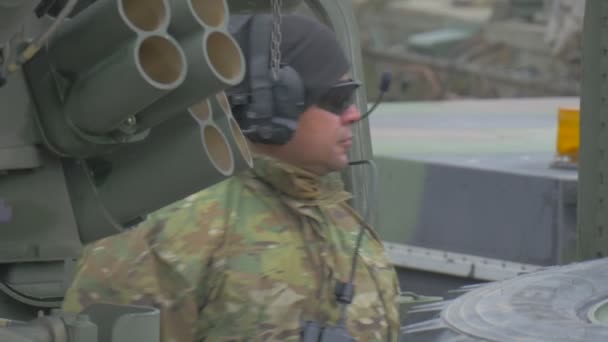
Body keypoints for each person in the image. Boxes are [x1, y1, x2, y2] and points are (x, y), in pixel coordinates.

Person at [62, 13, 400, 342]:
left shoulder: (340, 220)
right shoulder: (172, 227)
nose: (354, 114)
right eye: (338, 99)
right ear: (276, 102)